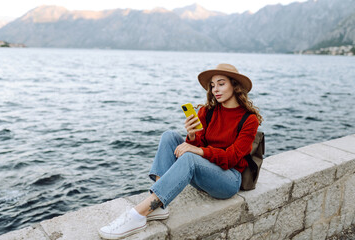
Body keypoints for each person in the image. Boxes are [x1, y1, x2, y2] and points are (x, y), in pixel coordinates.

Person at [98, 63, 263, 240]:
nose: (215, 89)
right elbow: (197, 146)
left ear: (235, 85)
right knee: (169, 136)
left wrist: (197, 150)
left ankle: (137, 215)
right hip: (205, 171)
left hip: (228, 180)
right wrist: (192, 136)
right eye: (213, 85)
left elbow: (231, 158)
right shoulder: (206, 111)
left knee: (191, 157)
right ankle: (159, 205)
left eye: (221, 84)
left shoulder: (249, 119)